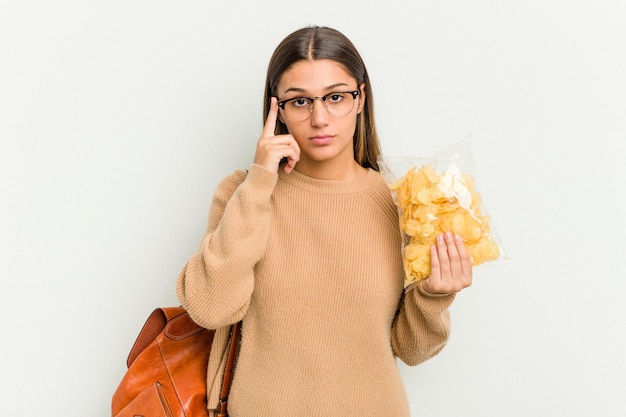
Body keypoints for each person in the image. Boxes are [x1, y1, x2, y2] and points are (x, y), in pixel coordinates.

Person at [177, 26, 472, 417]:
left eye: (336, 97)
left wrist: (434, 296)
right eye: (299, 102)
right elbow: (211, 309)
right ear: (275, 109)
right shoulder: (243, 193)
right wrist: (259, 182)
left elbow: (412, 351)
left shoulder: (405, 202)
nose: (319, 118)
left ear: (361, 98)